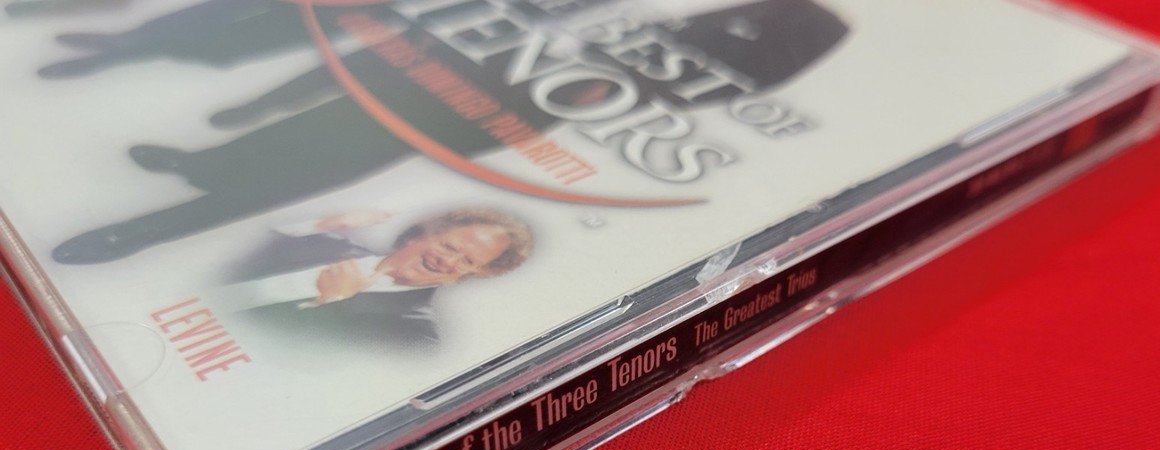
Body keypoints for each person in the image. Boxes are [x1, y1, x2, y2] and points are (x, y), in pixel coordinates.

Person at [50, 0, 849, 263]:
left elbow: (741, 75)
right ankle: (211, 164)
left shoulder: (816, 22)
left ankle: (146, 232)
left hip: (551, 98)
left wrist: (633, 76)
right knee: (355, 110)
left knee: (358, 150)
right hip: (517, 57)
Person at [213, 208, 534, 347]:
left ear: (471, 275)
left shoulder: (416, 334)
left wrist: (331, 300)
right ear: (418, 235)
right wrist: (323, 224)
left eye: (466, 262)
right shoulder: (330, 240)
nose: (446, 261)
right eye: (449, 246)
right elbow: (231, 245)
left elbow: (303, 368)